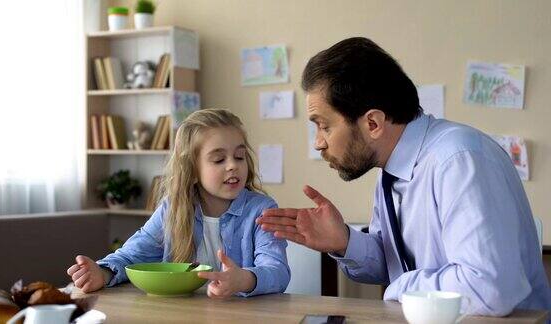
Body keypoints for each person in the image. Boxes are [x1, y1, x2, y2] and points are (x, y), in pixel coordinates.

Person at [257, 37, 551, 316]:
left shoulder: (459, 160)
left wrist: (401, 287)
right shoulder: (392, 171)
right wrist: (344, 242)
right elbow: (395, 260)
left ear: (373, 122)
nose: (318, 142)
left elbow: (489, 289)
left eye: (324, 126)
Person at [68, 109, 290, 298]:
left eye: (240, 156)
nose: (233, 165)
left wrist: (244, 279)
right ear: (192, 170)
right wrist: (102, 273)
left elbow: (277, 272)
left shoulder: (262, 210)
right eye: (219, 159)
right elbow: (131, 256)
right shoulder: (173, 209)